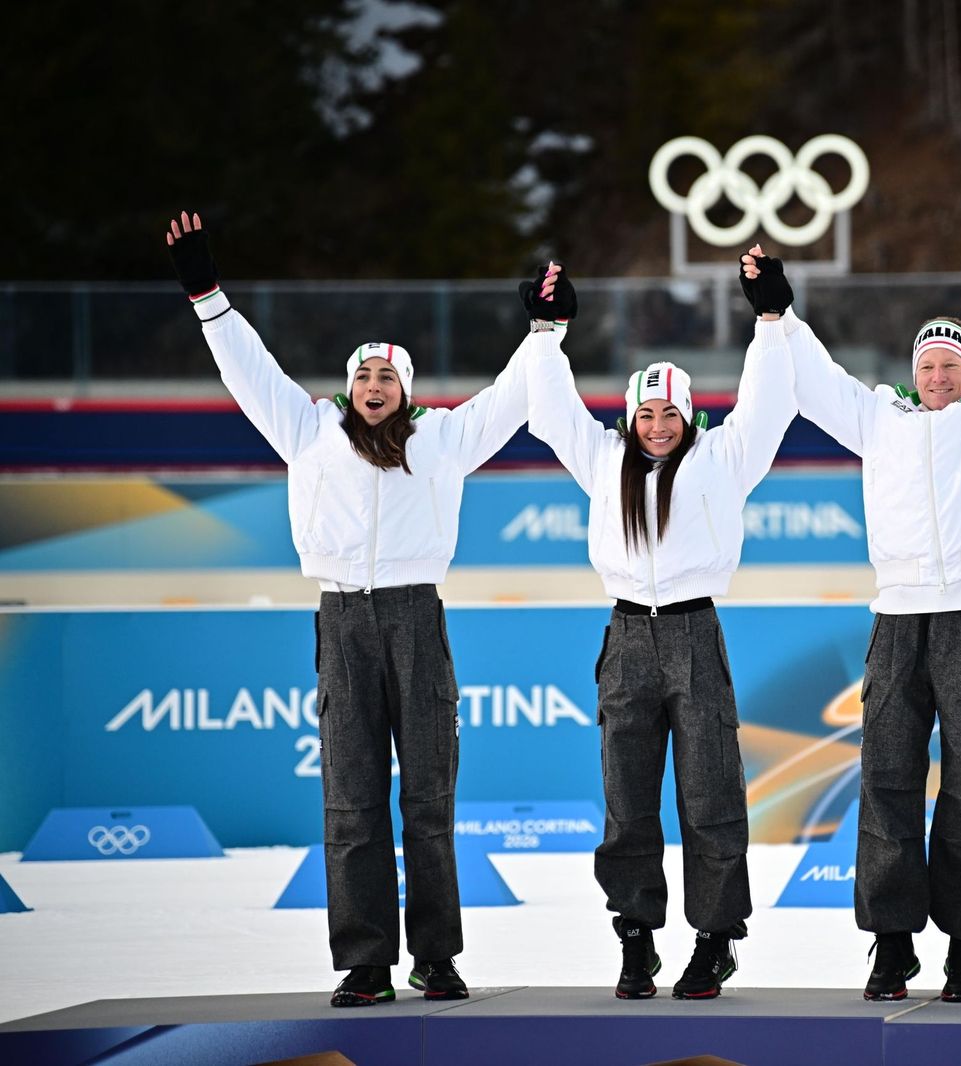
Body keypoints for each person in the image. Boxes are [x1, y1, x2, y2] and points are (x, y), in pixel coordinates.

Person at [165, 210, 531, 1007]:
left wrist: (544, 329)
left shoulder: (441, 440)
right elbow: (248, 370)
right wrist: (206, 294)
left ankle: (434, 957)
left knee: (428, 799)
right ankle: (366, 962)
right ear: (348, 385)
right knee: (352, 799)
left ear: (407, 388)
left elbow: (512, 397)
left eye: (388, 378)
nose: (374, 389)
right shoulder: (307, 432)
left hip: (415, 618)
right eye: (364, 377)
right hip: (341, 621)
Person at [743, 182, 961, 1002]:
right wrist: (776, 314)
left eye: (950, 366)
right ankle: (893, 946)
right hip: (896, 622)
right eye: (926, 365)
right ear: (913, 372)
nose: (937, 377)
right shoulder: (878, 420)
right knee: (888, 782)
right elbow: (813, 380)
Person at [518, 256, 796, 1000]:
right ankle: (635, 937)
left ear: (689, 417)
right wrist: (547, 332)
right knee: (628, 799)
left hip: (694, 634)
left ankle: (714, 939)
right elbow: (549, 411)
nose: (658, 426)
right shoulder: (603, 460)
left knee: (710, 797)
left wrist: (769, 321)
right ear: (630, 418)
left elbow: (767, 407)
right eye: (647, 414)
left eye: (670, 414)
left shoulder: (723, 459)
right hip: (625, 638)